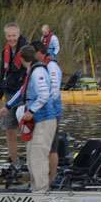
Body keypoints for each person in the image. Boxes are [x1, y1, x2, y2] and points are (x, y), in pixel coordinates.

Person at [0, 45, 57, 192]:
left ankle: (41, 191)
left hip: (45, 120)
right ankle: (34, 188)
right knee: (31, 156)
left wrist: (31, 110)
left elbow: (44, 95)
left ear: (21, 58)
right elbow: (21, 92)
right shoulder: (30, 71)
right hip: (36, 122)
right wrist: (7, 106)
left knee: (38, 157)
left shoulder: (38, 73)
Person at [0, 22, 28, 165]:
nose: (11, 39)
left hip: (22, 95)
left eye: (14, 36)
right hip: (8, 93)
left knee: (26, 129)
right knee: (9, 129)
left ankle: (31, 161)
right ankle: (14, 161)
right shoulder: (5, 50)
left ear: (18, 35)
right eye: (9, 36)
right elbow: (3, 74)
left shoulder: (26, 49)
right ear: (5, 36)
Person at [33, 40, 63, 183]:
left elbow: (55, 91)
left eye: (33, 53)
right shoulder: (41, 66)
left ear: (39, 52)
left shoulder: (51, 66)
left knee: (52, 148)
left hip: (52, 113)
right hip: (43, 113)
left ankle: (51, 179)